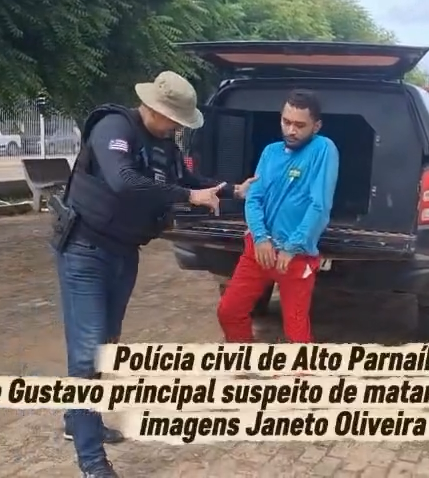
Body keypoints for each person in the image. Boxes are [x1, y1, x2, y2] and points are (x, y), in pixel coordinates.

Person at [54, 71, 255, 478]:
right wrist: (189, 197)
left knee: (106, 344)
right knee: (88, 353)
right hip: (85, 251)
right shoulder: (114, 127)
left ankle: (79, 419)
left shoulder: (164, 144)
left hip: (123, 252)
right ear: (154, 108)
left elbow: (190, 181)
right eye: (175, 120)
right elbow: (123, 181)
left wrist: (233, 189)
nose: (178, 128)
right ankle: (91, 461)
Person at [216, 90, 339, 344]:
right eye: (286, 122)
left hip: (295, 256)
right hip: (259, 249)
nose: (291, 130)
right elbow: (254, 198)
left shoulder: (323, 149)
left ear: (316, 126)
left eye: (300, 125)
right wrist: (260, 238)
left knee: (295, 330)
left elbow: (320, 205)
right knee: (229, 311)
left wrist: (292, 246)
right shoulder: (270, 152)